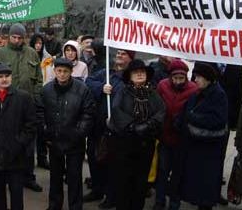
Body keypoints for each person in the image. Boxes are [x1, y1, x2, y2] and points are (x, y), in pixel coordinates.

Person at [0, 23, 43, 192]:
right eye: (14, 37)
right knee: (5, 141)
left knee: (28, 144)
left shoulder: (32, 53)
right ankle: (4, 175)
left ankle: (28, 176)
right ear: (8, 37)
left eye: (20, 37)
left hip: (27, 105)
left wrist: (35, 97)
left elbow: (38, 79)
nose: (17, 40)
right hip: (4, 106)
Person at [0, 63, 37, 210]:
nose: (4, 79)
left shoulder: (23, 98)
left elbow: (31, 125)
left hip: (16, 156)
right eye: (0, 76)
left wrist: (19, 143)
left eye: (7, 76)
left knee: (16, 193)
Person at [39, 58, 95, 210]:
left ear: (71, 72)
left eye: (65, 71)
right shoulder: (46, 90)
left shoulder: (82, 89)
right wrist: (46, 131)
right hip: (54, 139)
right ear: (55, 71)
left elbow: (88, 113)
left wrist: (79, 132)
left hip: (74, 141)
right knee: (55, 176)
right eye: (59, 71)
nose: (62, 74)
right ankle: (54, 205)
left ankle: (75, 206)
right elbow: (40, 112)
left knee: (74, 177)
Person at [109, 59, 165, 210]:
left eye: (142, 71)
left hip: (146, 145)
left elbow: (161, 112)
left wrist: (148, 125)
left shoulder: (153, 93)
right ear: (130, 76)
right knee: (124, 181)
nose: (140, 74)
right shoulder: (123, 91)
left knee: (140, 183)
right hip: (125, 144)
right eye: (136, 72)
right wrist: (132, 126)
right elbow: (116, 110)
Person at [84, 49, 134, 208]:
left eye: (123, 53)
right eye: (118, 52)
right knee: (93, 156)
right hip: (97, 125)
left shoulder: (129, 78)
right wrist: (101, 87)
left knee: (112, 162)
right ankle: (97, 188)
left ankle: (111, 195)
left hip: (115, 128)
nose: (119, 55)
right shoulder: (106, 73)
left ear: (130, 59)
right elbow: (89, 81)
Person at [178, 62, 228, 210]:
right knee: (198, 188)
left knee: (206, 190)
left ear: (207, 78)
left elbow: (218, 121)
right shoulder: (198, 93)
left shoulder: (219, 95)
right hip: (196, 148)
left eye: (198, 77)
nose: (195, 80)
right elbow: (185, 112)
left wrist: (193, 118)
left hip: (209, 151)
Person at [154, 59, 198, 210]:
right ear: (170, 77)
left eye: (181, 78)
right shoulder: (162, 85)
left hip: (182, 139)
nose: (178, 81)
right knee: (162, 171)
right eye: (175, 78)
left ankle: (174, 202)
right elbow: (156, 105)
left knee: (178, 173)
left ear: (186, 77)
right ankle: (159, 201)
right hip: (165, 136)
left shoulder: (193, 89)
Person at [29, 33, 53, 169]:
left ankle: (42, 157)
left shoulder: (48, 59)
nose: (38, 45)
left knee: (42, 130)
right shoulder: (27, 56)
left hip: (44, 96)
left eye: (40, 43)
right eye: (36, 42)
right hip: (31, 96)